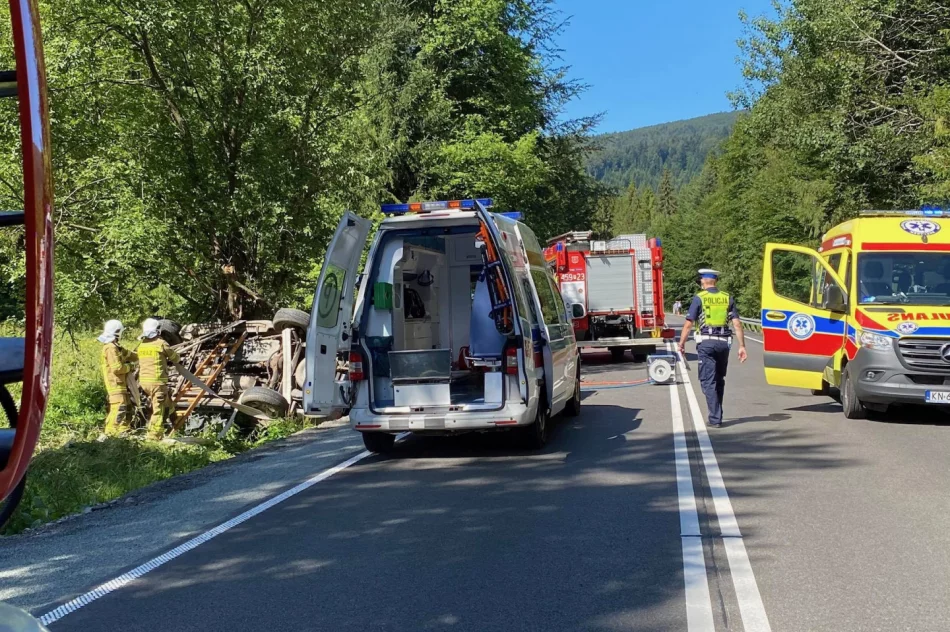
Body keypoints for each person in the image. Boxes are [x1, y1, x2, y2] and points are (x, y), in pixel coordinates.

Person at [677, 269, 747, 427]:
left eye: (700, 281)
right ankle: (717, 413)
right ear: (716, 281)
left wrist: (681, 344)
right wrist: (742, 346)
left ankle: (715, 418)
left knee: (708, 381)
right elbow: (737, 324)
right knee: (719, 379)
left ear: (703, 281)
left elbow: (688, 324)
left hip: (706, 344)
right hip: (724, 344)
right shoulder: (727, 297)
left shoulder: (699, 298)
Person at [137, 318, 180, 440]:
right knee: (158, 410)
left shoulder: (141, 345)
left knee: (167, 402)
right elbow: (175, 358)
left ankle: (175, 421)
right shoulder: (161, 343)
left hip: (144, 382)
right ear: (157, 330)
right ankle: (153, 436)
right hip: (157, 382)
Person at [98, 320, 137, 437]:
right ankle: (110, 434)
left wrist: (143, 355)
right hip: (114, 383)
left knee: (127, 407)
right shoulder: (110, 348)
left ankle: (123, 431)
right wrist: (131, 366)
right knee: (119, 408)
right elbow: (117, 368)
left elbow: (130, 355)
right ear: (117, 332)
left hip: (121, 384)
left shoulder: (117, 347)